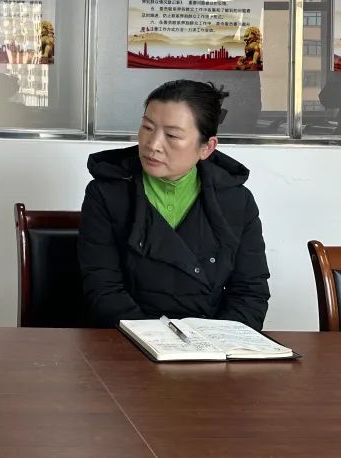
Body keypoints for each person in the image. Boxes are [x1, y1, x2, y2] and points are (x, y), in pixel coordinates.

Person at [79, 80, 270, 329]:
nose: (153, 144)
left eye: (172, 135)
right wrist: (154, 341)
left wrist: (217, 342)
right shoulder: (107, 193)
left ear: (207, 147)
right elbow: (103, 288)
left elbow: (250, 292)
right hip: (128, 339)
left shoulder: (236, 201)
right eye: (147, 127)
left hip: (210, 341)